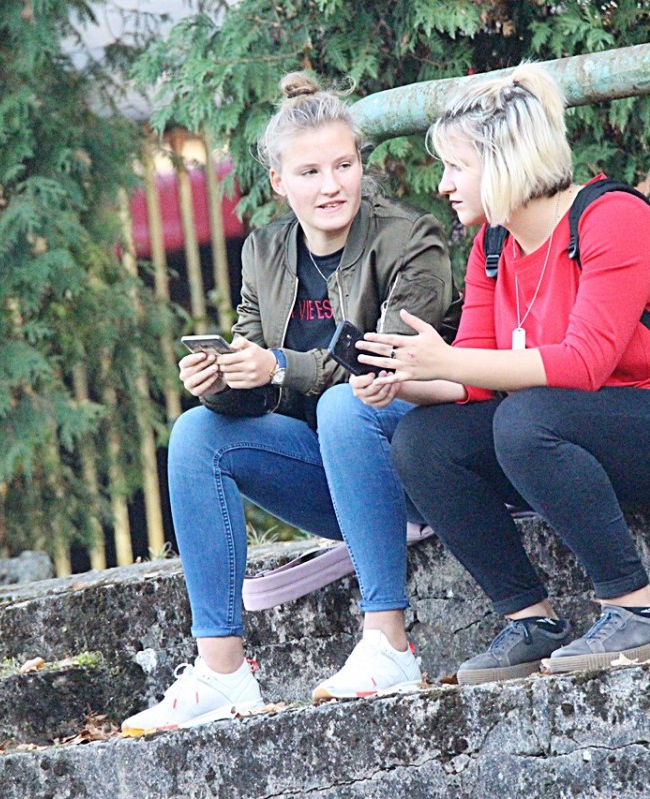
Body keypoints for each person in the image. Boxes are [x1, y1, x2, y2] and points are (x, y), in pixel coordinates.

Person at [350, 63, 650, 685]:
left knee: (527, 418)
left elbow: (584, 362)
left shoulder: (613, 219)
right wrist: (403, 376)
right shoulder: (493, 247)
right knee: (423, 439)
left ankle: (636, 611)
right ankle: (530, 621)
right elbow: (475, 374)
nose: (444, 184)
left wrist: (446, 360)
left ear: (504, 162)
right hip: (580, 428)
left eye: (457, 167)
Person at [120, 72, 462, 734]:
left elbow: (386, 362)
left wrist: (278, 363)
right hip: (331, 474)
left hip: (418, 465)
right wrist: (221, 379)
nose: (331, 185)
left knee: (343, 406)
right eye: (310, 172)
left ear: (361, 164)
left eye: (344, 165)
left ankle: (389, 643)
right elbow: (259, 385)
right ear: (279, 181)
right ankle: (222, 671)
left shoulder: (409, 238)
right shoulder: (266, 250)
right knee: (195, 434)